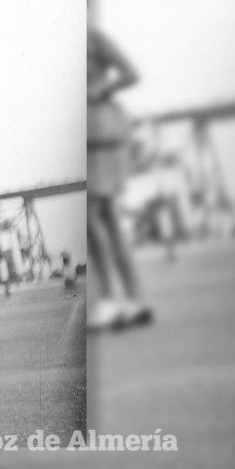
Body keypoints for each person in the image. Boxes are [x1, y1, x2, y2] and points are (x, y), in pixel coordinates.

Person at [87, 25, 151, 330]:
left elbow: (131, 73)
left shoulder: (92, 37)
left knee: (95, 218)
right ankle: (133, 299)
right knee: (108, 218)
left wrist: (101, 90)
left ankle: (113, 298)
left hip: (100, 133)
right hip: (95, 135)